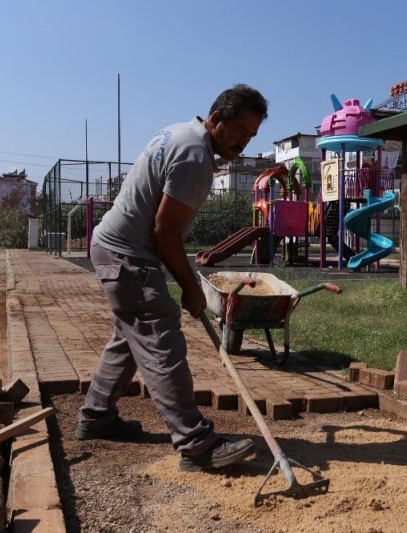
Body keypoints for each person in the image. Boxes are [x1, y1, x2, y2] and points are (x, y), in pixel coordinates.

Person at [76, 84, 268, 472]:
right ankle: (196, 444)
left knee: (130, 338)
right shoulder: (196, 156)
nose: (243, 142)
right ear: (216, 119)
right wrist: (192, 288)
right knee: (161, 338)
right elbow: (165, 232)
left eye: (251, 135)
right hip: (127, 253)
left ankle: (96, 415)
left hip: (115, 246)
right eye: (238, 130)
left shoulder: (178, 132)